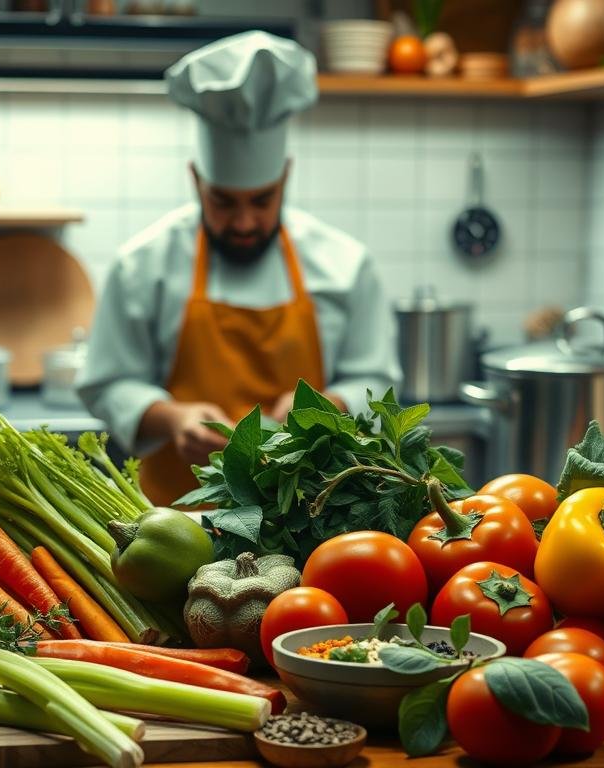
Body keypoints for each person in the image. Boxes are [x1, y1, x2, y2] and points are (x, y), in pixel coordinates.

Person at [76, 31, 400, 505]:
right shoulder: (142, 265)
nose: (245, 222)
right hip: (177, 522)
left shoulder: (346, 265)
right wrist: (174, 419)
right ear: (196, 180)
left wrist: (327, 407)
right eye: (223, 202)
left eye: (262, 200)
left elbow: (375, 382)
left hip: (306, 518)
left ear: (285, 177)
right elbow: (108, 383)